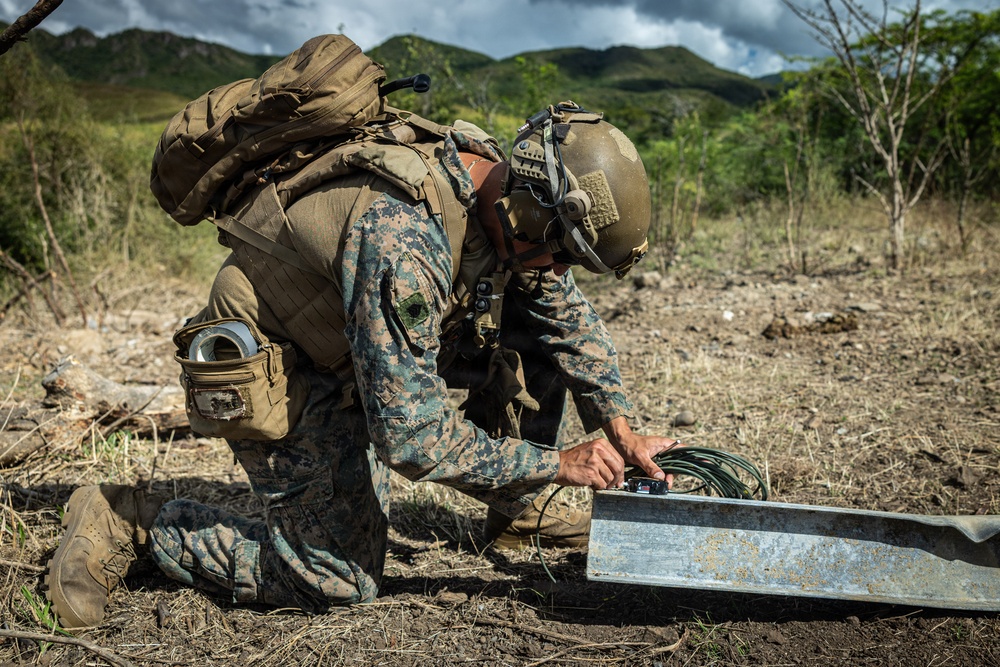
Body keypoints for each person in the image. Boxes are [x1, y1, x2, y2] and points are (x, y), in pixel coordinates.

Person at [44, 100, 680, 629]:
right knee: (336, 580)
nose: (563, 274)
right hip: (284, 358)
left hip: (358, 338)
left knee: (532, 322)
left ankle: (519, 508)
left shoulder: (503, 192)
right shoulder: (403, 239)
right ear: (527, 214)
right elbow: (410, 437)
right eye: (562, 255)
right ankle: (130, 518)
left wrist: (618, 424)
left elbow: (565, 318)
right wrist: (556, 464)